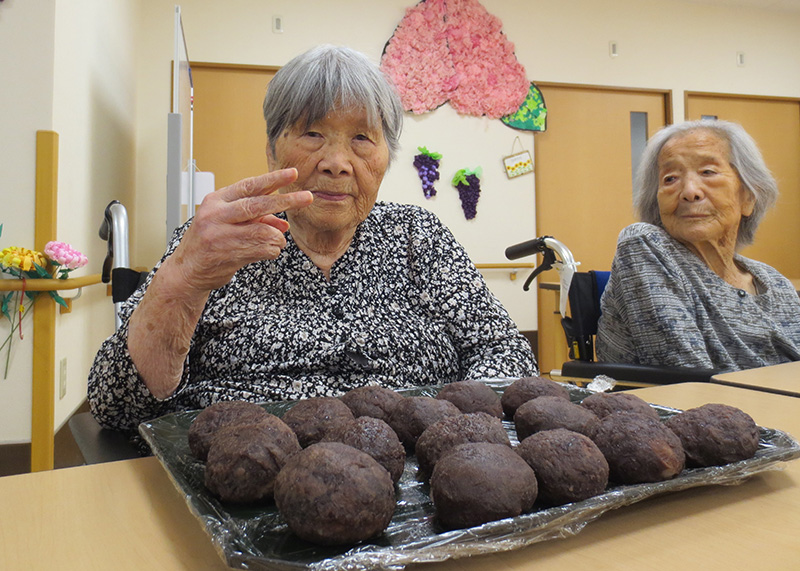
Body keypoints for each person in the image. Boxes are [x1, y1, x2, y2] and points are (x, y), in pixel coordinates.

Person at [88, 45, 536, 432]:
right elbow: (114, 403)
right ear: (272, 148)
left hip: (417, 489)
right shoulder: (213, 241)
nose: (337, 162)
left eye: (362, 138)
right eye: (312, 133)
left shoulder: (420, 236)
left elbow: (504, 351)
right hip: (244, 481)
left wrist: (449, 431)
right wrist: (179, 282)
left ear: (386, 157)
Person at [596, 119, 800, 371]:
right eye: (670, 178)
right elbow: (687, 374)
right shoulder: (644, 247)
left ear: (748, 197)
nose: (690, 191)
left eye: (708, 172)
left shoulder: (775, 282)